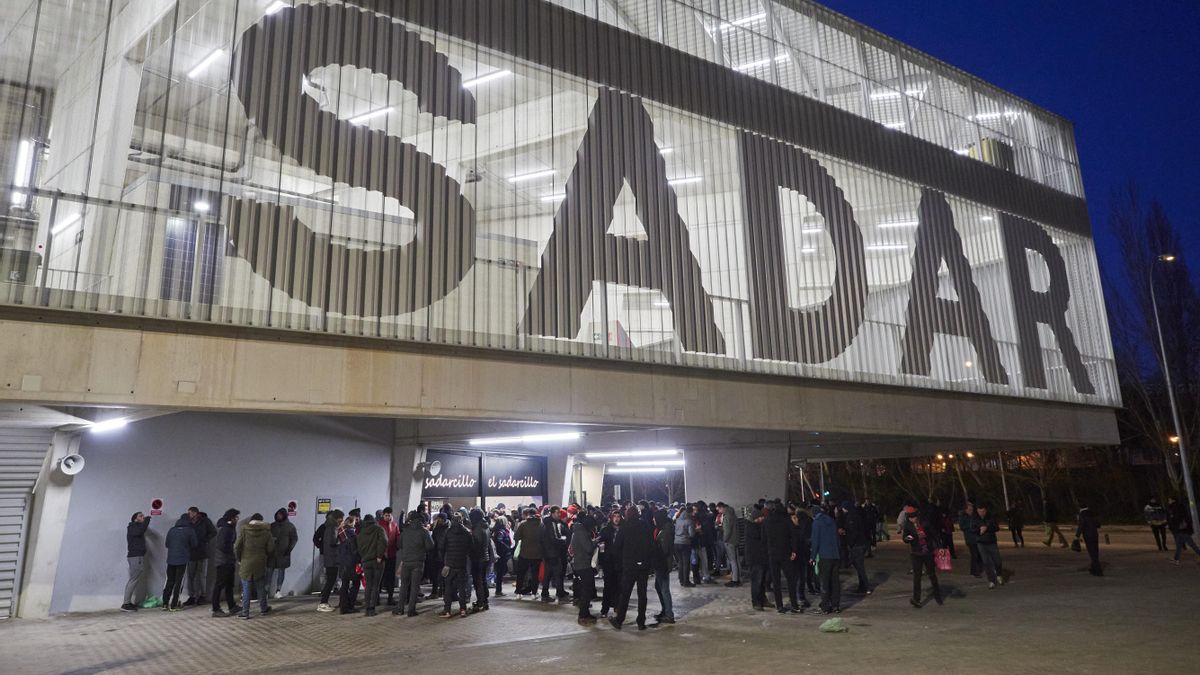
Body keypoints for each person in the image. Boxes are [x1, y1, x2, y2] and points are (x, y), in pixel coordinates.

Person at [610, 505, 653, 630]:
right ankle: (641, 622)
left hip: (629, 565)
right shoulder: (645, 526)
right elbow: (651, 544)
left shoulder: (624, 528)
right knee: (642, 594)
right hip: (643, 565)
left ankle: (619, 620)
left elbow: (616, 548)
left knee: (625, 593)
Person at [901, 504, 943, 608]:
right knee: (917, 577)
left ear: (917, 516)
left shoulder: (925, 523)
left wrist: (939, 547)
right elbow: (905, 539)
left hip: (927, 552)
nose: (912, 520)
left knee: (932, 574)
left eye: (913, 517)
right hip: (916, 553)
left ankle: (937, 595)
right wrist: (914, 536)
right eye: (910, 518)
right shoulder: (907, 525)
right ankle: (916, 599)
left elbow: (935, 535)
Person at [234, 512, 274, 619]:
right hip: (260, 562)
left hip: (246, 562)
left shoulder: (244, 530)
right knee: (260, 587)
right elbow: (271, 548)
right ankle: (263, 609)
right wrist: (265, 555)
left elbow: (237, 546)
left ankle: (245, 613)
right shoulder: (266, 532)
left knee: (246, 588)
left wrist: (239, 559)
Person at [394, 510, 434, 617]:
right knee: (415, 587)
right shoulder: (424, 532)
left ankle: (400, 608)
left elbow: (399, 545)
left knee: (404, 586)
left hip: (406, 562)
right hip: (418, 562)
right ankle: (411, 610)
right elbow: (430, 546)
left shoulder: (405, 531)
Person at [764, 501, 800, 614]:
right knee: (791, 579)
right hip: (785, 553)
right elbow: (794, 536)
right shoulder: (786, 520)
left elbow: (763, 538)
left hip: (772, 554)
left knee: (776, 581)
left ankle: (779, 605)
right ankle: (794, 605)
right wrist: (794, 550)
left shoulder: (768, 521)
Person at [810, 503, 841, 613]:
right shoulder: (832, 521)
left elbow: (815, 542)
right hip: (835, 555)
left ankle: (825, 606)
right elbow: (837, 538)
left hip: (824, 556)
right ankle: (836, 605)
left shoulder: (817, 523)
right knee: (835, 582)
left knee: (824, 582)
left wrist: (812, 557)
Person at [162, 514, 198, 611]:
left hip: (171, 559)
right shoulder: (190, 531)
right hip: (182, 559)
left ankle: (165, 603)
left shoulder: (172, 530)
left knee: (169, 581)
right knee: (179, 582)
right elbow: (194, 544)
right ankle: (174, 605)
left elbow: (167, 544)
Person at [440, 513, 472, 618]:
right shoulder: (467, 533)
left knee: (448, 587)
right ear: (461, 520)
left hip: (449, 564)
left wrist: (444, 559)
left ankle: (447, 610)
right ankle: (463, 609)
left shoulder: (448, 532)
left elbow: (442, 547)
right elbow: (470, 548)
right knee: (462, 587)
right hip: (461, 563)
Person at [183, 507, 216, 607]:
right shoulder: (187, 522)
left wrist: (205, 540)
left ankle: (202, 595)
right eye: (189, 513)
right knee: (191, 575)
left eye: (191, 513)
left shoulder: (205, 521)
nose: (190, 515)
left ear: (196, 513)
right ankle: (191, 596)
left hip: (202, 551)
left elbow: (213, 532)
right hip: (191, 552)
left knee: (201, 575)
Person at [356, 513, 387, 617]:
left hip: (366, 561)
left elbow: (359, 547)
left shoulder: (361, 533)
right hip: (377, 561)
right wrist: (379, 556)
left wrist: (364, 556)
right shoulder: (379, 529)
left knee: (368, 585)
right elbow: (384, 541)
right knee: (375, 586)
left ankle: (367, 608)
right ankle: (372, 608)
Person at [210, 509, 239, 617]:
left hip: (228, 560)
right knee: (219, 584)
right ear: (231, 518)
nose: (237, 519)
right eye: (236, 517)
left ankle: (232, 606)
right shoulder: (226, 529)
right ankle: (215, 609)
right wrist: (230, 553)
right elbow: (222, 545)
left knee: (229, 585)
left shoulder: (230, 528)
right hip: (223, 561)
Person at [570, 514, 598, 625]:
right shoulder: (582, 533)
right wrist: (595, 542)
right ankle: (583, 614)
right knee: (587, 589)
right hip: (583, 564)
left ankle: (585, 613)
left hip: (580, 563)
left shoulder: (577, 531)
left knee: (586, 589)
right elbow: (588, 548)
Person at [540, 506, 570, 602]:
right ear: (552, 513)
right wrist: (563, 541)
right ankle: (560, 594)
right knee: (557, 573)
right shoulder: (551, 523)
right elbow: (554, 538)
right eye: (557, 513)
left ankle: (545, 594)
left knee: (548, 574)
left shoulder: (545, 522)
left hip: (547, 552)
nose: (559, 515)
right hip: (553, 552)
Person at [122, 512, 151, 612]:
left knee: (134, 579)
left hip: (137, 556)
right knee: (133, 579)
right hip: (135, 556)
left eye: (143, 516)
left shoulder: (136, 527)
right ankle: (125, 604)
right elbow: (140, 531)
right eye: (140, 516)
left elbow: (141, 530)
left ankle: (127, 602)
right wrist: (147, 520)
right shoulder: (132, 527)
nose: (143, 517)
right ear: (135, 519)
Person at [266, 508, 297, 600]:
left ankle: (278, 591)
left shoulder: (290, 526)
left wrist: (288, 550)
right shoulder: (272, 526)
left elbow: (294, 539)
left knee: (281, 572)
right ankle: (266, 591)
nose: (279, 516)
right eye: (277, 514)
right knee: (269, 572)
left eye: (281, 515)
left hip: (283, 553)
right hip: (272, 553)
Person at [651, 509, 676, 625]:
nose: (653, 520)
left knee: (664, 589)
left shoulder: (665, 531)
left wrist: (654, 546)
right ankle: (665, 610)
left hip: (663, 564)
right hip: (660, 563)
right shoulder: (662, 529)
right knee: (658, 586)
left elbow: (665, 549)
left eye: (655, 518)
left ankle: (669, 614)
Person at [842, 501, 872, 595]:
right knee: (858, 565)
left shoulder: (851, 517)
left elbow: (854, 532)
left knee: (859, 566)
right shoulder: (856, 515)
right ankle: (862, 586)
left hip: (857, 545)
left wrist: (850, 542)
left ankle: (866, 587)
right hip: (861, 543)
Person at [316, 509, 343, 613]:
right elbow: (333, 542)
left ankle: (324, 602)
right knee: (330, 581)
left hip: (330, 558)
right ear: (338, 518)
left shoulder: (329, 526)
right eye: (341, 518)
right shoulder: (333, 527)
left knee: (330, 581)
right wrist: (340, 541)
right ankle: (323, 603)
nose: (342, 521)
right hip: (332, 559)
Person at [512, 508, 543, 598]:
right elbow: (544, 538)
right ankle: (534, 593)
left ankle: (518, 592)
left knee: (521, 574)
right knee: (535, 575)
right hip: (537, 554)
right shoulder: (541, 525)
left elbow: (516, 536)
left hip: (524, 553)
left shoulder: (523, 524)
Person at [597, 509, 622, 617]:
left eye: (618, 516)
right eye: (614, 516)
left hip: (620, 562)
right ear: (611, 518)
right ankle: (604, 609)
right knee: (607, 586)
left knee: (619, 586)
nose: (616, 518)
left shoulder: (624, 529)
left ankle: (618, 606)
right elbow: (601, 547)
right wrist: (602, 564)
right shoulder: (605, 530)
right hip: (608, 562)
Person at [468, 509, 493, 612]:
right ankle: (484, 601)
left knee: (478, 581)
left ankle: (480, 603)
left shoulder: (477, 528)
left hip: (478, 558)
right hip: (485, 557)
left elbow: (475, 545)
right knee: (482, 581)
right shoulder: (485, 526)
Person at [336, 514, 361, 615]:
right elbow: (355, 551)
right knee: (356, 584)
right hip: (352, 564)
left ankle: (343, 607)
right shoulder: (353, 536)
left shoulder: (341, 534)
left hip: (343, 563)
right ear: (352, 523)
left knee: (344, 585)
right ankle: (350, 605)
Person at [976, 503, 1005, 588]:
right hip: (981, 543)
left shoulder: (991, 517)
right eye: (979, 511)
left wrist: (987, 528)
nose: (981, 513)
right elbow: (972, 529)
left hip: (991, 542)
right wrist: (979, 530)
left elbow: (996, 528)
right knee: (986, 562)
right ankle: (991, 580)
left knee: (998, 561)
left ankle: (999, 574)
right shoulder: (975, 518)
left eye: (983, 511)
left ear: (986, 510)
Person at [745, 507, 769, 610]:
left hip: (762, 557)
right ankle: (756, 602)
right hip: (755, 559)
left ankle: (763, 599)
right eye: (761, 517)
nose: (763, 519)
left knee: (762, 580)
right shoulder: (752, 528)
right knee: (756, 581)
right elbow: (761, 537)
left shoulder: (759, 526)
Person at [789, 507, 812, 609]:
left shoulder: (799, 528)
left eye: (796, 517)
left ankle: (800, 597)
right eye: (794, 518)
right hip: (795, 557)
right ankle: (799, 598)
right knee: (798, 578)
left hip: (801, 556)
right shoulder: (792, 531)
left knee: (801, 578)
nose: (796, 519)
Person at [1166, 496, 1200, 563]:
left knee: (1191, 544)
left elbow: (1177, 518)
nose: (1168, 501)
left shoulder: (1175, 507)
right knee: (1179, 545)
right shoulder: (1178, 506)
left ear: (1173, 500)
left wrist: (1172, 519)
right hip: (1182, 529)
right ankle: (1176, 559)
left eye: (1169, 500)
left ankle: (1176, 559)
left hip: (1182, 529)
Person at [378, 507, 400, 606]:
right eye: (386, 515)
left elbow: (397, 538)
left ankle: (390, 598)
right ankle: (376, 598)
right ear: (383, 515)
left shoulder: (394, 525)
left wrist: (397, 548)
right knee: (379, 578)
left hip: (391, 555)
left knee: (391, 577)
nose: (388, 517)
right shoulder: (378, 525)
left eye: (389, 515)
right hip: (381, 555)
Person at [673, 505, 697, 587]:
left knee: (680, 562)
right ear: (690, 512)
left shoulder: (678, 520)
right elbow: (692, 534)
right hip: (685, 543)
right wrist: (696, 530)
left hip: (676, 543)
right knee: (686, 563)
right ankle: (686, 581)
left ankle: (681, 580)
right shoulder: (689, 521)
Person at [1076, 505, 1103, 576]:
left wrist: (1077, 536)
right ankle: (1093, 568)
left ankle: (1098, 570)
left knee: (1092, 552)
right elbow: (1098, 525)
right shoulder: (1093, 513)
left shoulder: (1081, 515)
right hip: (1095, 534)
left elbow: (1081, 525)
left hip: (1088, 535)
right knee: (1095, 551)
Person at [719, 503, 741, 587]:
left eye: (719, 509)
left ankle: (735, 580)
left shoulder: (727, 517)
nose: (719, 511)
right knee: (737, 560)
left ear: (723, 508)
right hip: (736, 540)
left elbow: (727, 531)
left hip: (730, 541)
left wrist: (724, 540)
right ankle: (738, 578)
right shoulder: (734, 515)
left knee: (733, 561)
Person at [491, 513, 513, 597]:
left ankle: (498, 589)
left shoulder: (498, 531)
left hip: (500, 554)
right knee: (500, 572)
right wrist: (507, 547)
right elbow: (499, 542)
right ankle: (498, 590)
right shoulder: (501, 531)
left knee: (500, 572)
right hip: (502, 555)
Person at [959, 501, 983, 577]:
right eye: (970, 509)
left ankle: (975, 570)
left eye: (972, 509)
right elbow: (962, 527)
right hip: (970, 539)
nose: (971, 510)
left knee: (979, 555)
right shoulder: (963, 516)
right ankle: (975, 572)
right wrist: (971, 527)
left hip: (977, 537)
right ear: (966, 509)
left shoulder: (974, 516)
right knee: (974, 555)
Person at [429, 514, 449, 599]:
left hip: (442, 555)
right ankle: (435, 592)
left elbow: (442, 542)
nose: (438, 520)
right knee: (435, 575)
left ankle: (443, 592)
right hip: (436, 554)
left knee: (443, 575)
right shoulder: (437, 527)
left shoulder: (446, 528)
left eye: (439, 519)